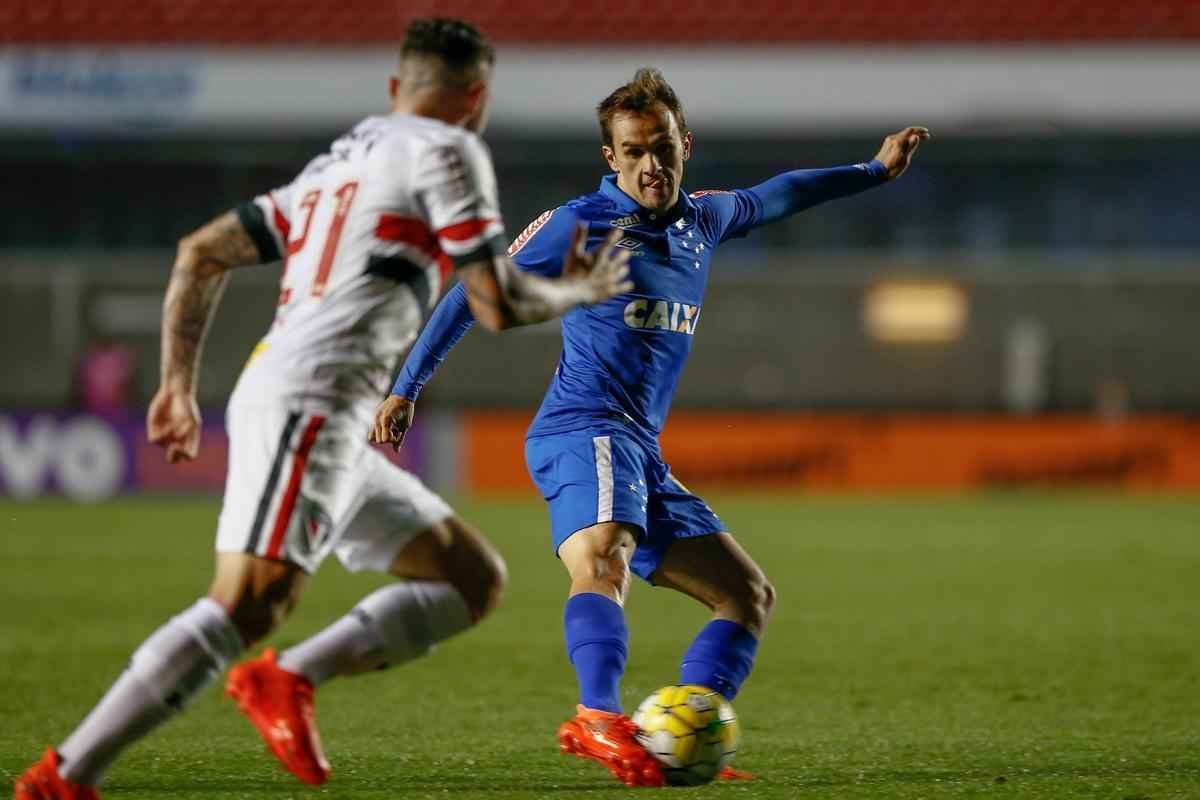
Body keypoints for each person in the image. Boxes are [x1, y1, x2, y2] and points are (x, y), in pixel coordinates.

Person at [14, 19, 631, 800]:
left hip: (320, 407)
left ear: (394, 89)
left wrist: (176, 382)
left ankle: (289, 680)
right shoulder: (448, 150)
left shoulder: (342, 161)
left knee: (467, 579)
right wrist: (579, 290)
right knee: (246, 604)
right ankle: (63, 776)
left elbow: (200, 251)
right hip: (310, 398)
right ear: (475, 97)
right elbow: (495, 302)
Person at [374, 67, 929, 787]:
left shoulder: (702, 221)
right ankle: (596, 717)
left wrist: (874, 171)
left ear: (683, 144)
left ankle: (684, 731)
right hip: (582, 428)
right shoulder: (582, 225)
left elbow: (780, 193)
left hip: (638, 447)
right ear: (611, 157)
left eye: (661, 147)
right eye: (633, 150)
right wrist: (406, 387)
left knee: (746, 596)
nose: (650, 164)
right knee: (602, 560)